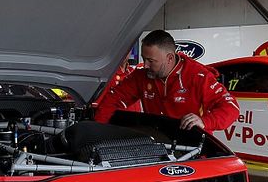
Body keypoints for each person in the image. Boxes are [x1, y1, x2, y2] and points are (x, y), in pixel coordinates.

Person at [94, 30, 239, 131]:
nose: (145, 65)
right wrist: (97, 129)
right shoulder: (141, 76)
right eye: (144, 59)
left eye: (151, 60)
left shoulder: (197, 76)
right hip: (158, 142)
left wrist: (204, 121)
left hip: (192, 148)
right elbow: (113, 99)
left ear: (170, 58)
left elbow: (231, 107)